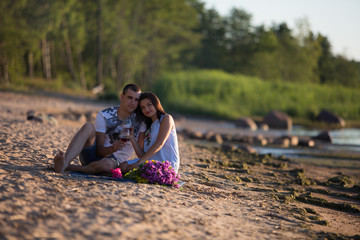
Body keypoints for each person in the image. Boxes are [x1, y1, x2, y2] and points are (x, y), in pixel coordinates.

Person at [53, 83, 145, 174]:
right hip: (93, 156)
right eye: (130, 98)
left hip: (113, 163)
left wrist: (132, 139)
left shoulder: (140, 122)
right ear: (122, 97)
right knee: (88, 127)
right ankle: (65, 162)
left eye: (136, 100)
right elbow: (99, 151)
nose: (133, 102)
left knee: (106, 165)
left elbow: (140, 153)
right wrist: (113, 148)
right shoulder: (104, 115)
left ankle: (69, 167)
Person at [119, 92, 180, 173]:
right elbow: (142, 155)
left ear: (156, 104)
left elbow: (159, 143)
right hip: (150, 162)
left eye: (149, 105)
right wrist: (132, 138)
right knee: (122, 166)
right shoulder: (148, 127)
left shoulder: (166, 118)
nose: (146, 109)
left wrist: (139, 163)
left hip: (166, 165)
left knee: (130, 168)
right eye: (143, 107)